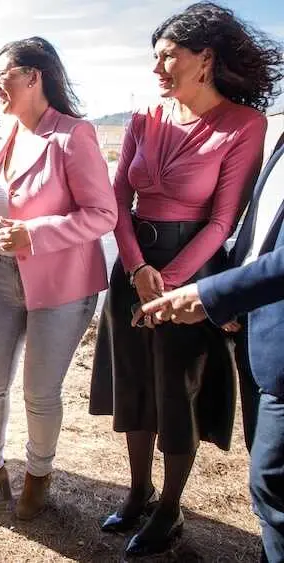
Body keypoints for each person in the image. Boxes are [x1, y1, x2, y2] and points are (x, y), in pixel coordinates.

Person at [89, 2, 278, 557]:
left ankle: (170, 508)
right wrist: (135, 267)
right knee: (133, 384)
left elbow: (224, 220)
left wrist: (168, 280)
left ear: (206, 59)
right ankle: (138, 491)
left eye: (168, 56)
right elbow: (118, 196)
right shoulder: (146, 114)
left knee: (177, 392)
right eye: (155, 57)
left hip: (191, 270)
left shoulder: (246, 124)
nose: (157, 69)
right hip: (131, 265)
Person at [0, 37, 117, 520]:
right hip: (3, 278)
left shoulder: (73, 136)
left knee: (39, 391)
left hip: (62, 287)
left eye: (2, 73)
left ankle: (38, 478)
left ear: (33, 76)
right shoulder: (1, 135)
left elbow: (103, 214)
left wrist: (36, 235)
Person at [143, 129, 284, 562]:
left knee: (273, 486)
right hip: (261, 331)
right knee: (270, 490)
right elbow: (260, 234)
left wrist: (209, 294)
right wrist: (232, 298)